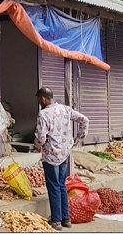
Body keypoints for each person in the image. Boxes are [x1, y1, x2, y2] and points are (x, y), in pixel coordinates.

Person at [34, 87, 88, 231]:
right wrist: (79, 138)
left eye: (39, 100)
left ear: (44, 99)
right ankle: (66, 219)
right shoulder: (65, 109)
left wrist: (37, 145)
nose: (39, 103)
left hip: (51, 155)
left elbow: (41, 137)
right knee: (62, 185)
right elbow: (84, 119)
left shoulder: (43, 114)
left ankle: (56, 220)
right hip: (64, 153)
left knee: (53, 186)